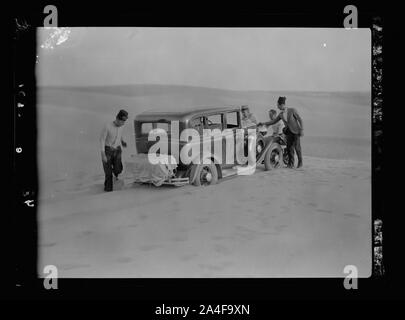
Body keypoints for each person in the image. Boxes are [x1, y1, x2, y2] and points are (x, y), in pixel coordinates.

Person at [258, 97, 303, 168]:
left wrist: (301, 130)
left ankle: (300, 163)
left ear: (282, 105)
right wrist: (263, 123)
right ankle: (291, 164)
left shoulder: (292, 110)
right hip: (289, 132)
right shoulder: (281, 114)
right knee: (289, 148)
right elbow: (273, 121)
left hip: (296, 131)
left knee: (297, 148)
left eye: (278, 105)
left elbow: (299, 119)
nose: (277, 106)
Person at [100, 109, 128, 192]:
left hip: (118, 149)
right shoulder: (107, 126)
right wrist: (103, 154)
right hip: (107, 150)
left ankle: (115, 173)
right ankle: (108, 191)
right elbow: (102, 140)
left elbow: (120, 134)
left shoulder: (122, 126)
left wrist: (122, 141)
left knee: (118, 169)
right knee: (108, 173)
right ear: (117, 119)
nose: (123, 123)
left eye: (124, 122)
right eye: (122, 121)